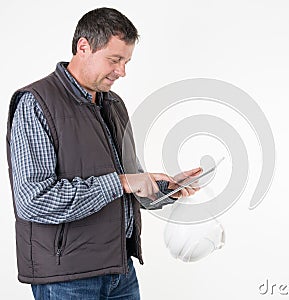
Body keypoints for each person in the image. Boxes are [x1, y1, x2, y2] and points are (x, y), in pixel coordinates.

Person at [6, 7, 201, 300]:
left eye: (126, 61)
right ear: (83, 47)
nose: (122, 71)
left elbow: (127, 185)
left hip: (120, 272)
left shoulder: (114, 104)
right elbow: (33, 201)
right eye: (115, 59)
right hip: (67, 279)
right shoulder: (36, 104)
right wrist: (122, 182)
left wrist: (166, 189)